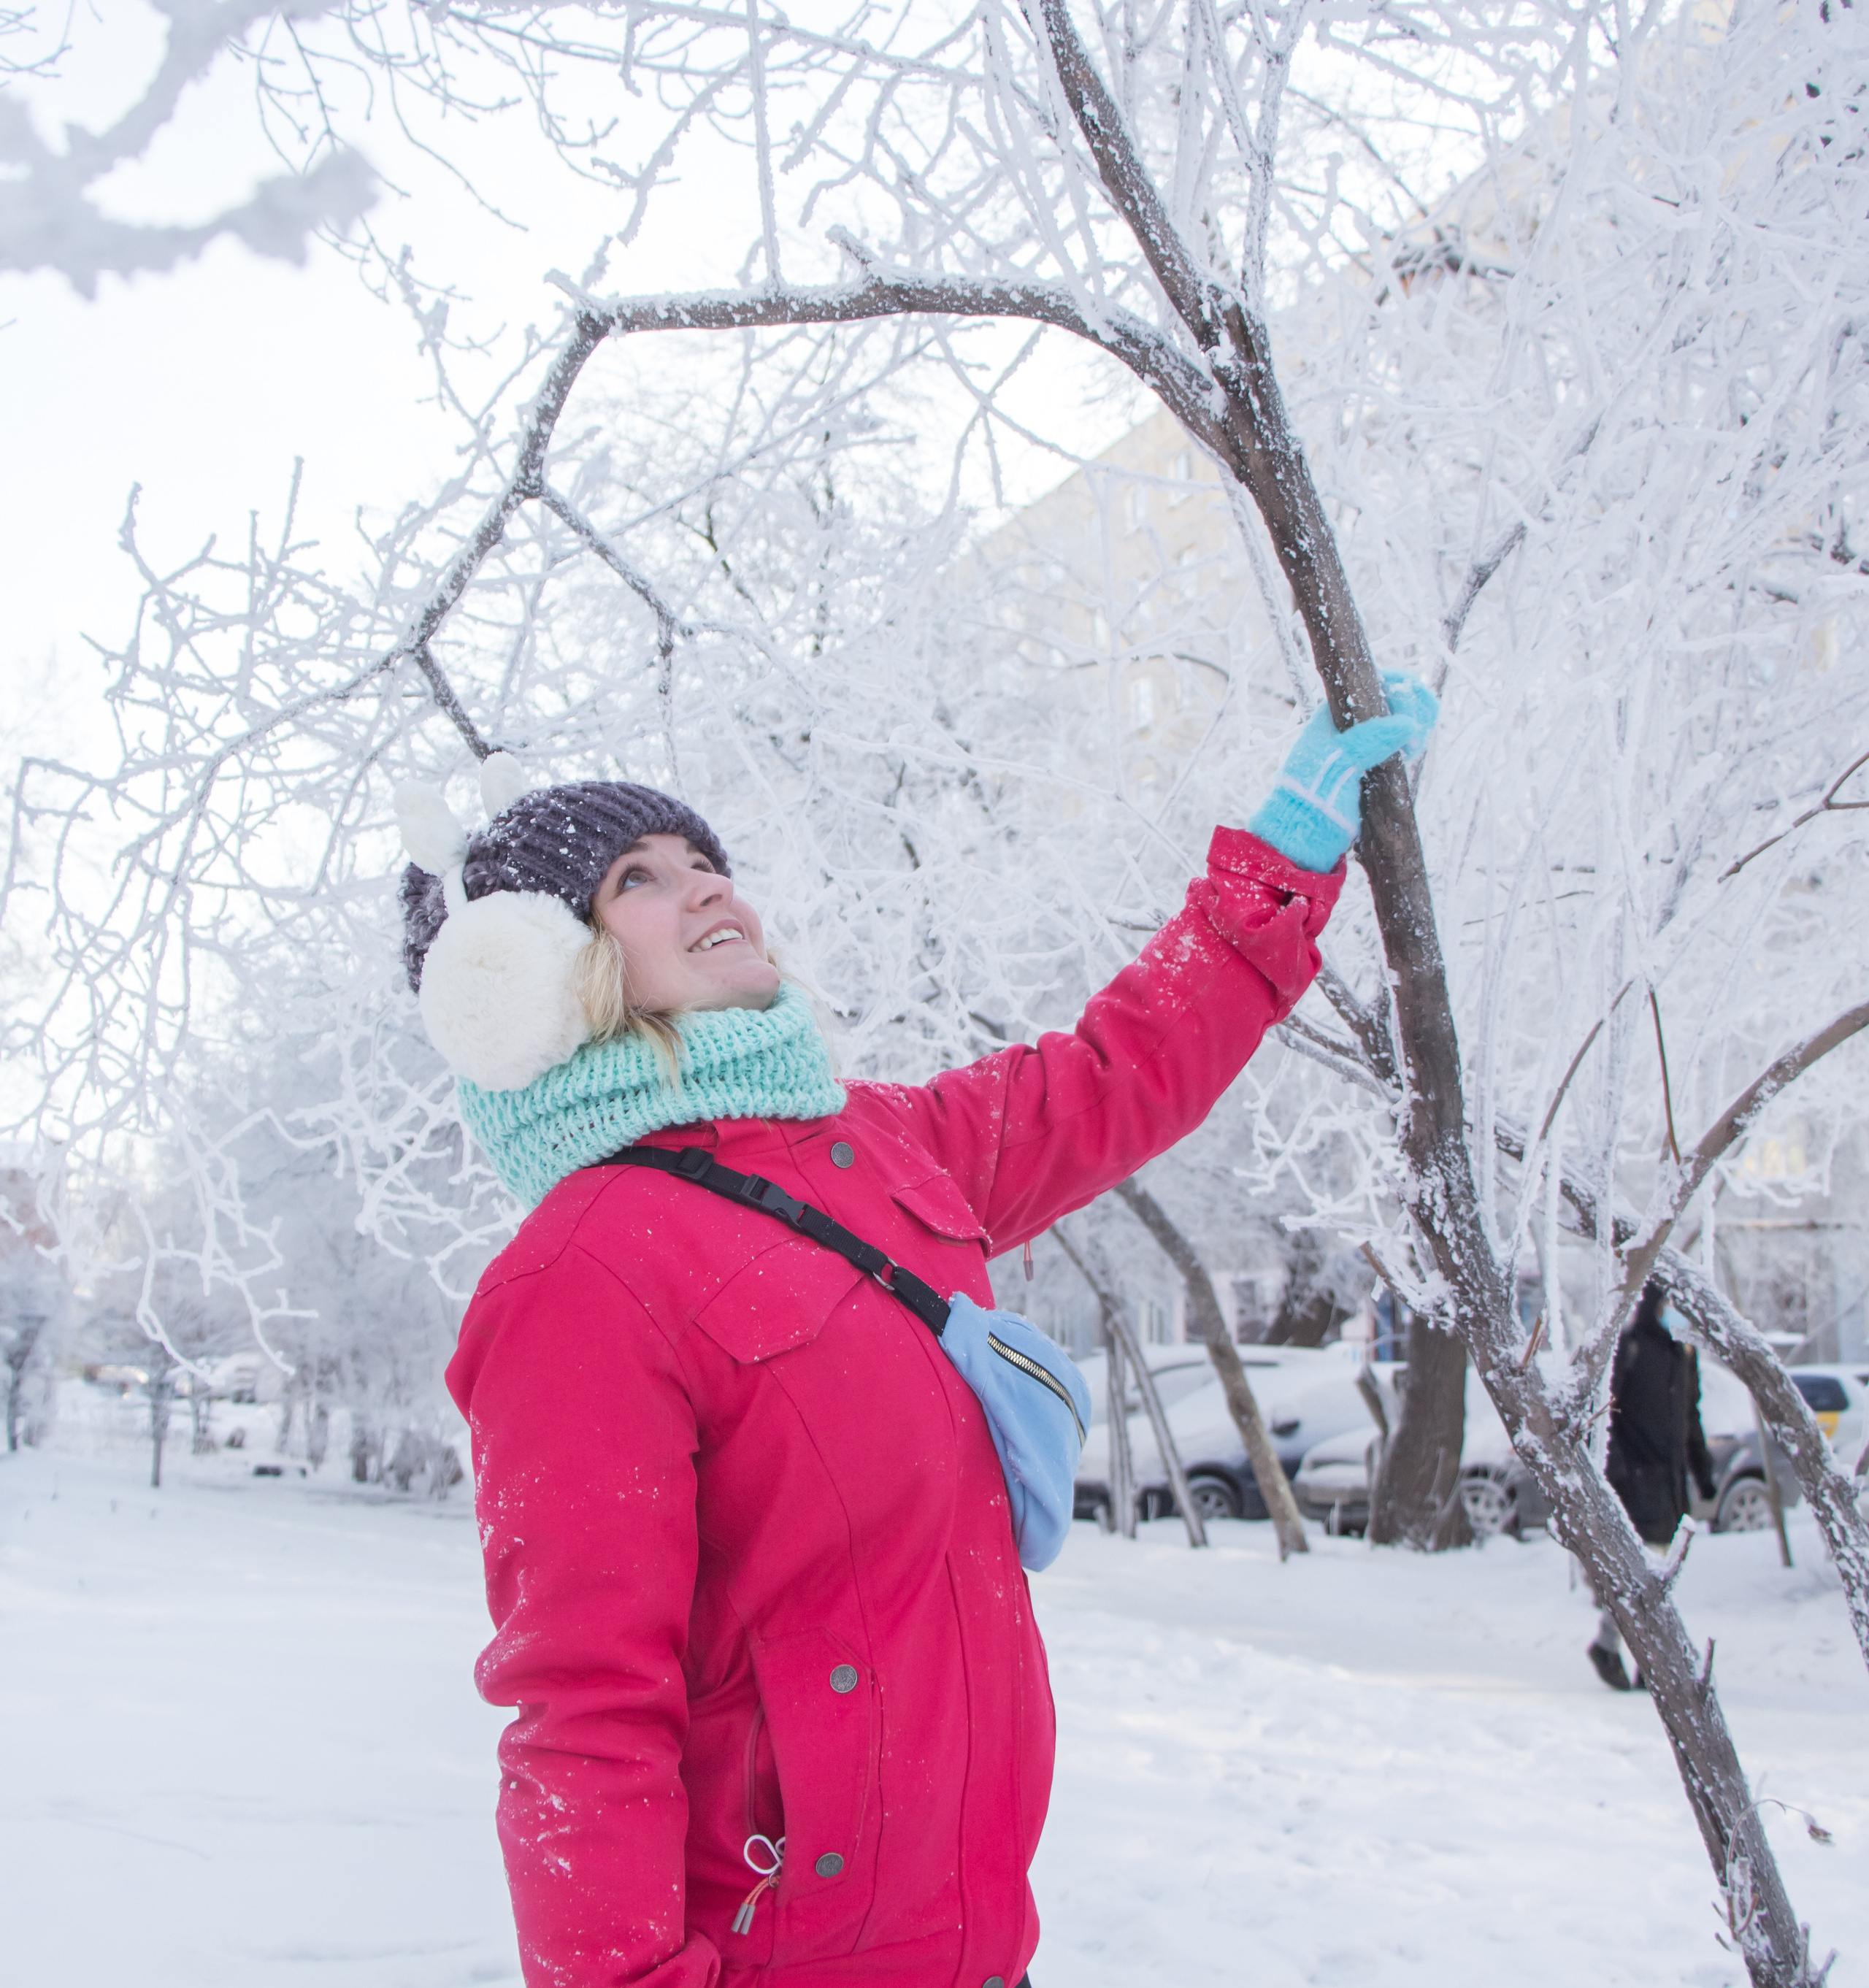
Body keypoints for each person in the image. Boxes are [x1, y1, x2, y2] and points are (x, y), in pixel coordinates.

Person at [398, 678, 1435, 1988]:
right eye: (640, 878)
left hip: (975, 1939)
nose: (711, 886)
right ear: (543, 978)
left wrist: (1276, 867)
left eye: (710, 858)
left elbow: (1118, 1071)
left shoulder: (883, 1148)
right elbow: (584, 1708)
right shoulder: (581, 1272)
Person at [1587, 1282, 1718, 1692]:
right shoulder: (1632, 1348)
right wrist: (1618, 1472)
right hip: (1635, 1480)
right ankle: (1630, 1651)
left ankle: (1637, 1655)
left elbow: (1689, 1416)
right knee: (1643, 1571)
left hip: (1671, 1481)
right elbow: (1606, 1413)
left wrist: (1703, 1471)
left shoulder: (1682, 1355)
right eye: (1669, 1306)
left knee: (1658, 1572)